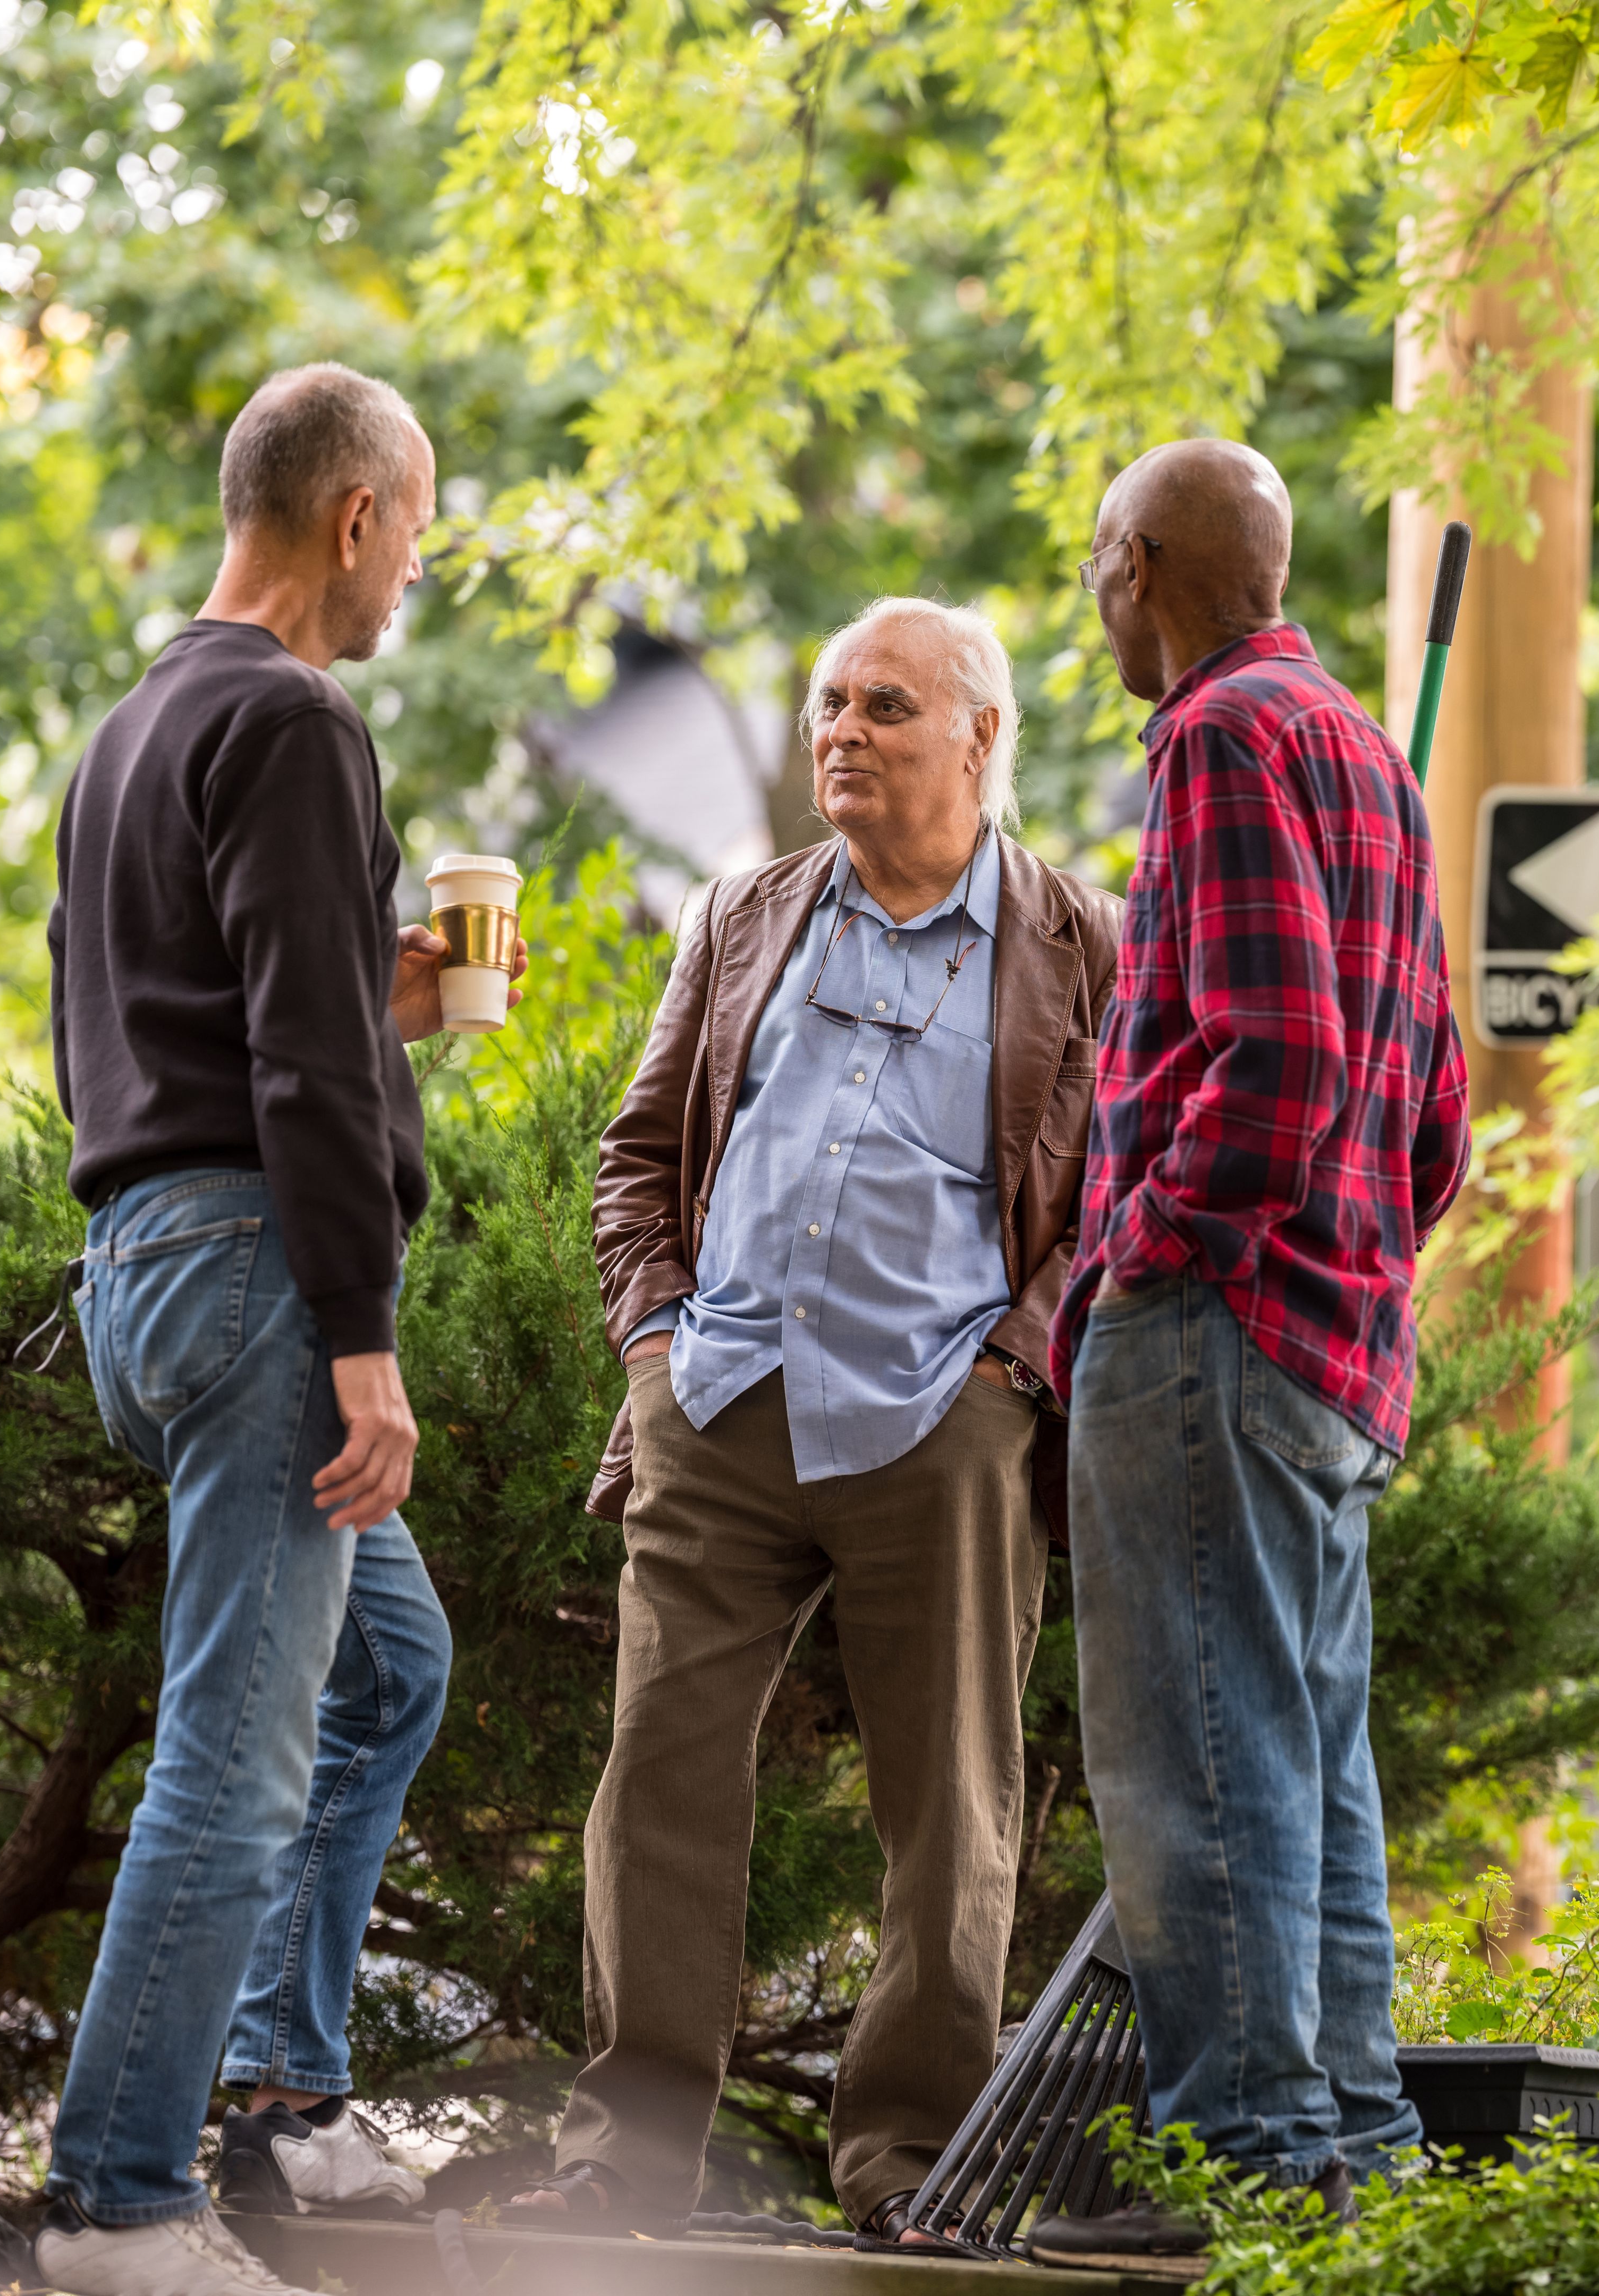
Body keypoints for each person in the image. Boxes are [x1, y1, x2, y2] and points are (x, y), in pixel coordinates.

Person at [506, 597, 1120, 2241]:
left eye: (886, 707)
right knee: (659, 1774)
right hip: (720, 1401)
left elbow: (1116, 1199)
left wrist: (1020, 1365)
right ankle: (623, 2159)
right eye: (829, 704)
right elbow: (638, 1156)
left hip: (947, 1422)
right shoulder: (743, 915)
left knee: (953, 1800)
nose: (841, 730)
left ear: (980, 740)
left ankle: (908, 2163)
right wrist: (653, 1341)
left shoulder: (1084, 944)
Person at [39, 364, 522, 2296]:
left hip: (141, 1272)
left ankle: (277, 2094)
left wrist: (366, 997)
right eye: (415, 529)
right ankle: (118, 2207)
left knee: (391, 1667)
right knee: (236, 1761)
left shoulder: (139, 722)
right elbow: (305, 1072)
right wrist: (364, 1336)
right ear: (353, 517)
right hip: (259, 1287)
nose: (414, 569)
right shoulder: (304, 719)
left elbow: (231, 1025)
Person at [1027, 441, 1471, 2277]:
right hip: (1338, 1347)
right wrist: (1345, 1251)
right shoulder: (1364, 751)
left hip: (1217, 1335)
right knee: (1311, 1762)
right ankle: (1350, 2143)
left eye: (1097, 569)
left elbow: (1275, 1062)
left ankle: (1242, 2168)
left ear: (1140, 563)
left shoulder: (1219, 741)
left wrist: (1148, 1255)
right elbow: (1433, 1108)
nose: (1097, 601)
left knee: (1200, 1759)